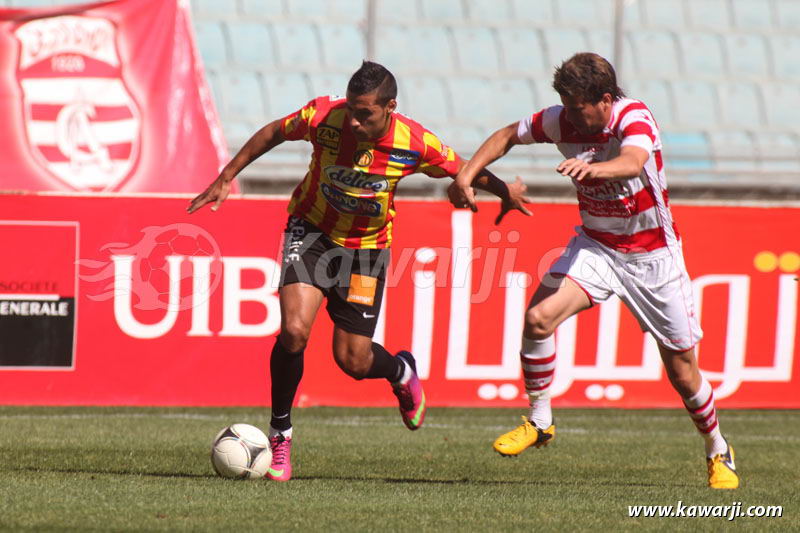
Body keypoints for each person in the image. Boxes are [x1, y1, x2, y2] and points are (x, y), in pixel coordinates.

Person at [189, 61, 530, 482]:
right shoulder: (322, 116)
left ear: (390, 107)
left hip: (366, 253)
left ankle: (401, 371)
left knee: (352, 360)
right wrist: (227, 175)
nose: (353, 120)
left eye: (364, 113)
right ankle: (280, 435)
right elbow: (275, 131)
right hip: (311, 231)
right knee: (293, 331)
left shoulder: (414, 142)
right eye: (351, 109)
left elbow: (463, 168)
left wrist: (505, 191)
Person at [451, 52, 739, 490]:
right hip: (598, 247)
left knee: (683, 373)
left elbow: (633, 161)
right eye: (565, 106)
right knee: (538, 318)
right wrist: (466, 175)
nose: (569, 116)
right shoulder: (561, 120)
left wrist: (594, 168)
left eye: (577, 107)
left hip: (653, 257)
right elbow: (508, 135)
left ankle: (717, 448)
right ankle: (540, 421)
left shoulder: (633, 116)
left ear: (605, 99)